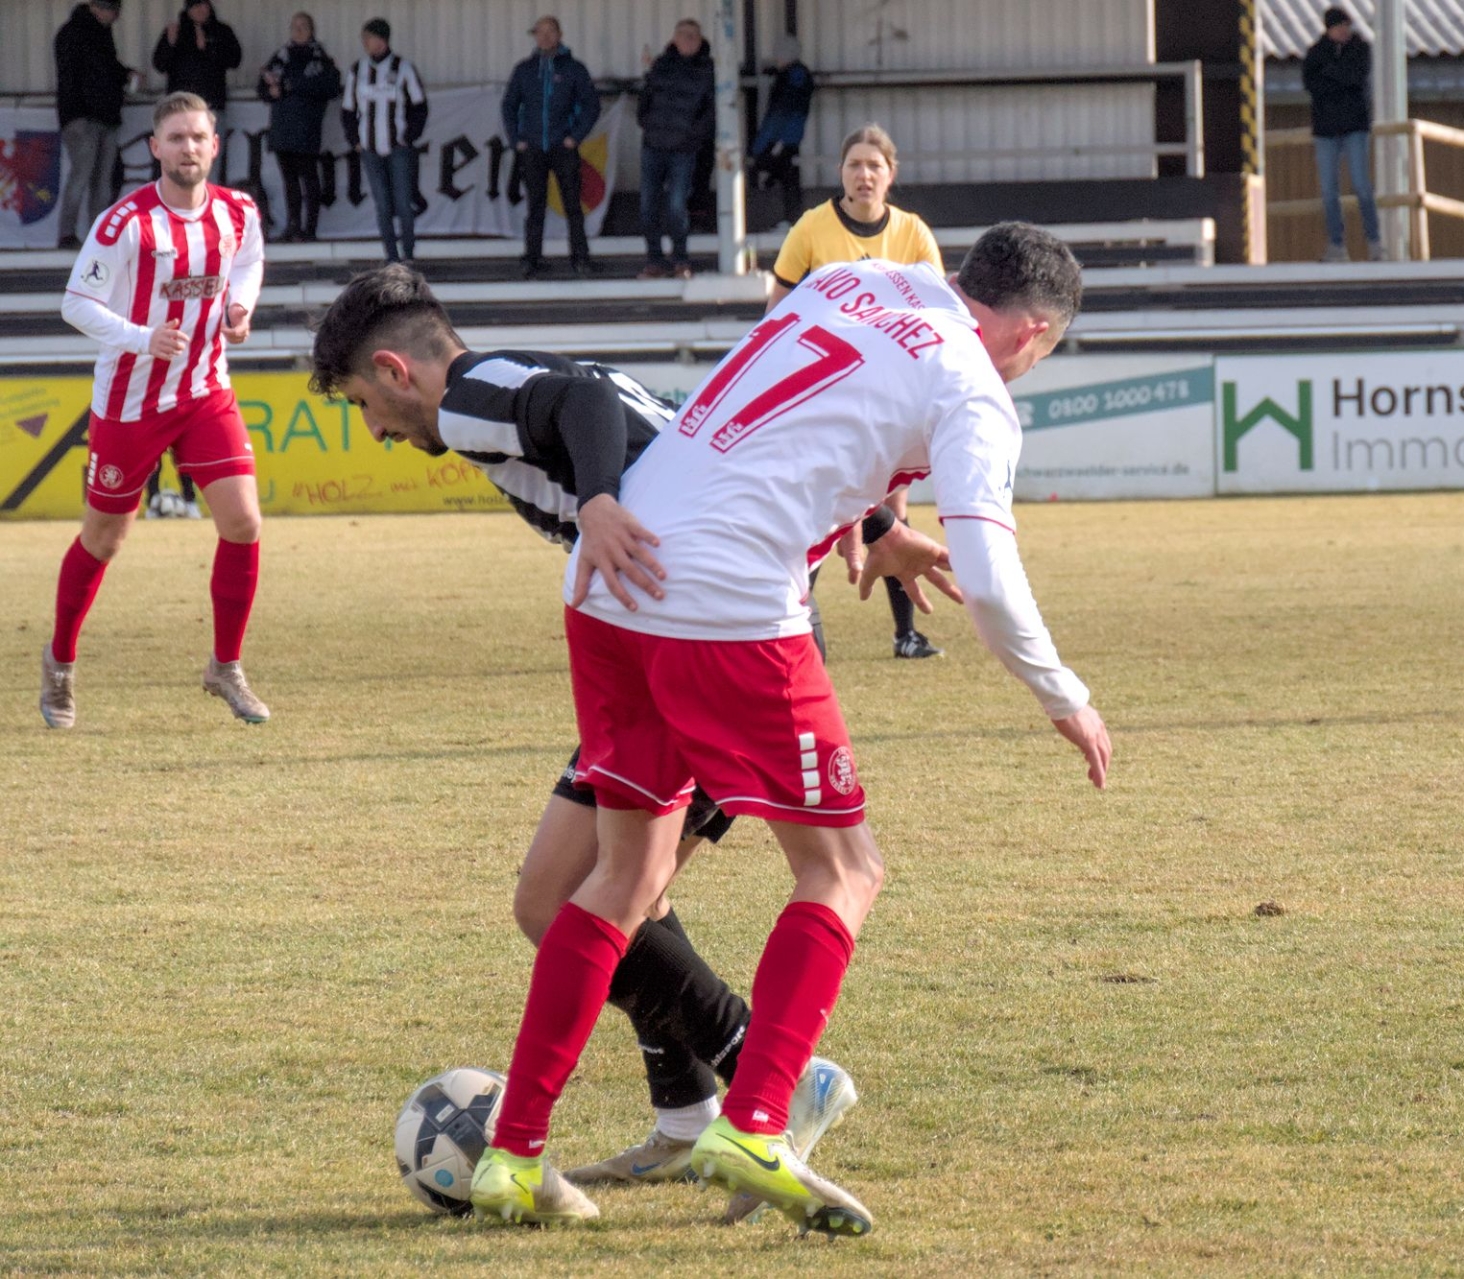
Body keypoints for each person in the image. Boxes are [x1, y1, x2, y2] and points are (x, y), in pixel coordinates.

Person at [463, 223, 1112, 1233]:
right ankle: (757, 1119)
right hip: (726, 606)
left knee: (625, 878)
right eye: (1042, 351)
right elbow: (987, 576)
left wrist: (874, 517)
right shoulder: (974, 387)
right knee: (845, 869)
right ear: (1032, 332)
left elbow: (803, 414)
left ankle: (512, 1156)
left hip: (614, 576)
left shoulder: (856, 280)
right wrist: (1061, 692)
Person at [305, 266, 959, 1223]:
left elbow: (592, 409)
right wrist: (877, 521)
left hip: (716, 640)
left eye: (364, 403)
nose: (374, 429)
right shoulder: (511, 377)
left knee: (610, 892)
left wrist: (600, 499)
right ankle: (689, 1113)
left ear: (396, 370)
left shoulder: (470, 399)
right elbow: (705, 441)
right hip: (677, 629)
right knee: (575, 895)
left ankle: (771, 1076)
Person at [43, 91, 269, 730]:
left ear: (214, 146)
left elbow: (249, 262)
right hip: (130, 403)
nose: (188, 148)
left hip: (204, 391)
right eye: (175, 138)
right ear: (155, 148)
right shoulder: (124, 223)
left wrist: (239, 307)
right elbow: (75, 304)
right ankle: (60, 662)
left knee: (244, 523)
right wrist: (143, 338)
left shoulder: (238, 212)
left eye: (198, 137)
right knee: (104, 539)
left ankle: (225, 666)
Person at [771, 123, 946, 661]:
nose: (864, 174)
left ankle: (906, 634)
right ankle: (787, 628)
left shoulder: (913, 233)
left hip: (888, 392)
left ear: (891, 174)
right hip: (826, 390)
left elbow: (938, 318)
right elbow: (777, 313)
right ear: (840, 173)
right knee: (819, 503)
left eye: (874, 165)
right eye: (854, 165)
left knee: (892, 505)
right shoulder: (811, 227)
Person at [503, 16, 600, 280]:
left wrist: (575, 136)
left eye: (550, 31)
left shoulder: (574, 69)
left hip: (563, 146)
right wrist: (516, 139)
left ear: (559, 35)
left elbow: (591, 105)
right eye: (540, 32)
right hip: (533, 148)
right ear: (534, 36)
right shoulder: (524, 70)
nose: (545, 37)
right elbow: (509, 105)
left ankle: (580, 257)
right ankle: (532, 259)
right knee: (535, 206)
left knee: (573, 205)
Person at [342, 18, 428, 266]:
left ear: (381, 40)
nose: (364, 43)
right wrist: (355, 140)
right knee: (382, 204)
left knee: (403, 201)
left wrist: (409, 137)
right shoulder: (358, 70)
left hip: (398, 147)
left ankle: (408, 253)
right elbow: (348, 110)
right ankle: (391, 256)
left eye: (368, 38)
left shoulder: (404, 68)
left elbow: (420, 106)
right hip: (370, 149)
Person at [636, 19, 715, 280]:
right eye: (683, 35)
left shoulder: (708, 69)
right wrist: (647, 125)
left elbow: (711, 111)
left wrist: (693, 136)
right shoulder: (660, 65)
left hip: (683, 149)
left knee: (676, 206)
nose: (687, 40)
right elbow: (645, 100)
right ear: (674, 38)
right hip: (653, 146)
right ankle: (654, 260)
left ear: (700, 40)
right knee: (648, 206)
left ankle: (680, 259)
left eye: (693, 36)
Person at [1302, 7, 1382, 263]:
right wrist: (1339, 76)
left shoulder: (1360, 49)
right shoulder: (1315, 53)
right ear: (1329, 28)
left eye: (1346, 25)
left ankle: (1375, 243)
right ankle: (1336, 245)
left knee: (1361, 185)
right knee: (1328, 190)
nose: (1344, 30)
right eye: (1339, 26)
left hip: (1355, 127)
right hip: (1325, 130)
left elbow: (1355, 77)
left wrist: (1329, 73)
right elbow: (1311, 85)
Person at [54, 0, 136, 252]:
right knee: (86, 176)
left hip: (100, 115)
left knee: (99, 179)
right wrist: (123, 76)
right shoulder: (78, 33)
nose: (116, 17)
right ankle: (71, 235)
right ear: (100, 9)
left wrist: (123, 75)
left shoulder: (92, 33)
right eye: (114, 11)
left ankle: (93, 235)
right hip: (85, 115)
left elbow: (103, 70)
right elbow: (98, 72)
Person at [258, 12, 342, 244]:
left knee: (309, 177)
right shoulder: (281, 55)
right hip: (282, 126)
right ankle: (293, 226)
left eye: (303, 26)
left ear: (312, 30)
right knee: (289, 180)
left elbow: (331, 86)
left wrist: (289, 85)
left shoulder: (319, 57)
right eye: (294, 26)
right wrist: (271, 91)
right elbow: (263, 87)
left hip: (306, 126)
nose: (298, 30)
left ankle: (310, 228)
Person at [749, 35, 814, 228]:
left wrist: (764, 143)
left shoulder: (790, 78)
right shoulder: (797, 75)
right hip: (788, 136)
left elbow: (780, 113)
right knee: (787, 176)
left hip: (782, 138)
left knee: (778, 175)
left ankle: (789, 220)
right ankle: (791, 219)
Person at [151, 1, 241, 119]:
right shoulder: (176, 31)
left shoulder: (222, 31)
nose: (199, 10)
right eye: (194, 6)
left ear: (209, 7)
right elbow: (160, 65)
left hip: (211, 103)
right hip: (180, 104)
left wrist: (209, 48)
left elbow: (235, 61)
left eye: (203, 5)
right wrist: (170, 44)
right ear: (188, 10)